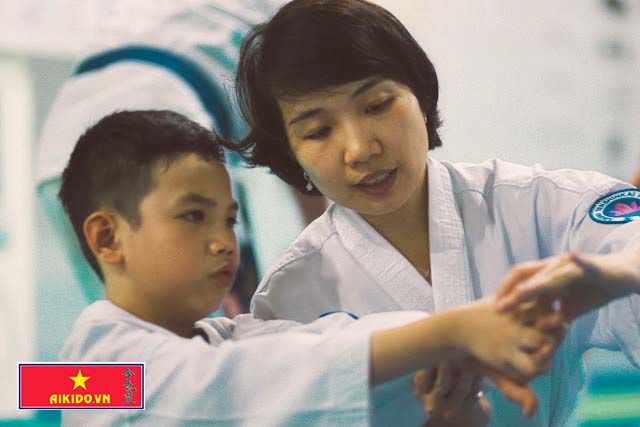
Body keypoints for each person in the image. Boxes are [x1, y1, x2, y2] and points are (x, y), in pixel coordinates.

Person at [233, 0, 640, 426]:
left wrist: (619, 270)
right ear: (291, 155)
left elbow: (625, 237)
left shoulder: (536, 206)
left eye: (377, 105)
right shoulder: (289, 297)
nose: (361, 149)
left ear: (421, 97)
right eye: (318, 131)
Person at [57, 110, 560, 426]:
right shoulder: (83, 373)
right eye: (193, 216)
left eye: (230, 220)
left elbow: (324, 343)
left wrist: (449, 373)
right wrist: (451, 332)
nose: (223, 242)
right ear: (108, 238)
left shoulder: (229, 339)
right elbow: (232, 385)